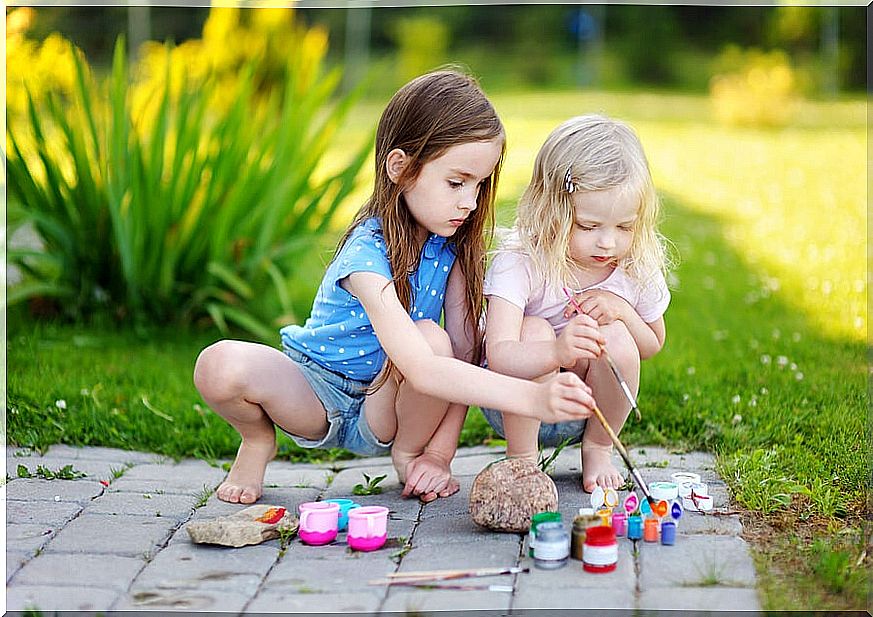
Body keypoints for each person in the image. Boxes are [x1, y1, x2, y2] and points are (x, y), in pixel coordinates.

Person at [193, 71, 597, 505]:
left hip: (384, 409)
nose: (471, 201)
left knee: (434, 338)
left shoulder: (451, 249)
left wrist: (438, 455)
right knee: (218, 365)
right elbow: (423, 369)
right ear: (401, 169)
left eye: (480, 184)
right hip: (314, 392)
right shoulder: (365, 254)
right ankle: (256, 442)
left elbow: (465, 358)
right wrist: (534, 397)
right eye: (457, 182)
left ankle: (407, 454)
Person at [482, 114, 673, 492]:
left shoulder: (634, 266)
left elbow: (651, 345)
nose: (608, 243)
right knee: (534, 329)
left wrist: (621, 310)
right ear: (551, 209)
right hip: (516, 401)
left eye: (624, 227)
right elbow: (500, 353)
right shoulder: (522, 262)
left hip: (591, 405)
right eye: (588, 226)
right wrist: (556, 350)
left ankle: (599, 448)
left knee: (617, 336)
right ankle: (522, 461)